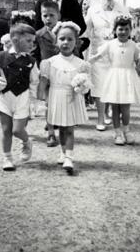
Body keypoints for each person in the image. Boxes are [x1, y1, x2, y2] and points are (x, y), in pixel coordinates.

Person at [38, 21, 91, 174]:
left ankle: (69, 156)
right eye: (62, 39)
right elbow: (44, 82)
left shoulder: (81, 64)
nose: (66, 42)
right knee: (61, 128)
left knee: (69, 129)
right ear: (56, 41)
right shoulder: (50, 62)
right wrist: (41, 99)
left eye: (70, 39)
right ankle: (63, 152)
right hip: (56, 96)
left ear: (76, 42)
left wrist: (81, 87)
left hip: (72, 97)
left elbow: (86, 85)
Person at [0, 23, 39, 171]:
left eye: (32, 41)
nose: (32, 44)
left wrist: (34, 102)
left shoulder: (31, 61)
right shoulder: (0, 56)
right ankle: (7, 158)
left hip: (22, 98)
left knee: (17, 130)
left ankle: (27, 142)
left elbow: (34, 81)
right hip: (3, 98)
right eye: (28, 41)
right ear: (15, 40)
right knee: (6, 129)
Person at [89, 15, 140, 145]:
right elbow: (97, 56)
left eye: (126, 29)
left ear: (130, 30)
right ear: (115, 30)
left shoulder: (133, 45)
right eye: (120, 29)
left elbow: (138, 62)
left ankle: (126, 131)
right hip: (114, 77)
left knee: (125, 108)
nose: (123, 32)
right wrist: (87, 63)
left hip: (128, 78)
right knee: (115, 107)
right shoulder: (110, 44)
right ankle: (117, 133)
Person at [85, 0, 130, 131]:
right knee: (99, 86)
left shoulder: (121, 9)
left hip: (116, 52)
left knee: (112, 84)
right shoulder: (93, 10)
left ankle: (107, 111)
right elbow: (86, 30)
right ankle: (100, 119)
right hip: (98, 53)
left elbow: (128, 28)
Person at [34, 0, 60, 147]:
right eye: (45, 15)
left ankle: (62, 128)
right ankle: (51, 133)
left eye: (52, 15)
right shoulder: (38, 35)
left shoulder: (65, 31)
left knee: (61, 103)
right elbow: (33, 53)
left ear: (58, 15)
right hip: (47, 73)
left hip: (63, 72)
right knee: (48, 103)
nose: (48, 19)